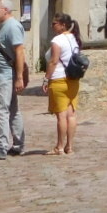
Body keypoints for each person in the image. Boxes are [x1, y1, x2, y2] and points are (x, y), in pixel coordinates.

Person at [0, 0, 29, 159]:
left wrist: (19, 77)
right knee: (12, 110)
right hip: (3, 76)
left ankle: (1, 147)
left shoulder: (12, 26)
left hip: (7, 76)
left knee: (2, 110)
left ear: (5, 10)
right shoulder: (5, 26)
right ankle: (18, 145)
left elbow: (19, 52)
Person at [43, 12, 81, 155]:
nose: (52, 26)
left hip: (59, 79)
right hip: (73, 79)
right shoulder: (74, 38)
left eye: (54, 23)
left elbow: (53, 61)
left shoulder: (57, 40)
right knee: (71, 115)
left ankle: (59, 147)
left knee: (61, 116)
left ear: (63, 25)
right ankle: (69, 147)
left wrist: (46, 78)